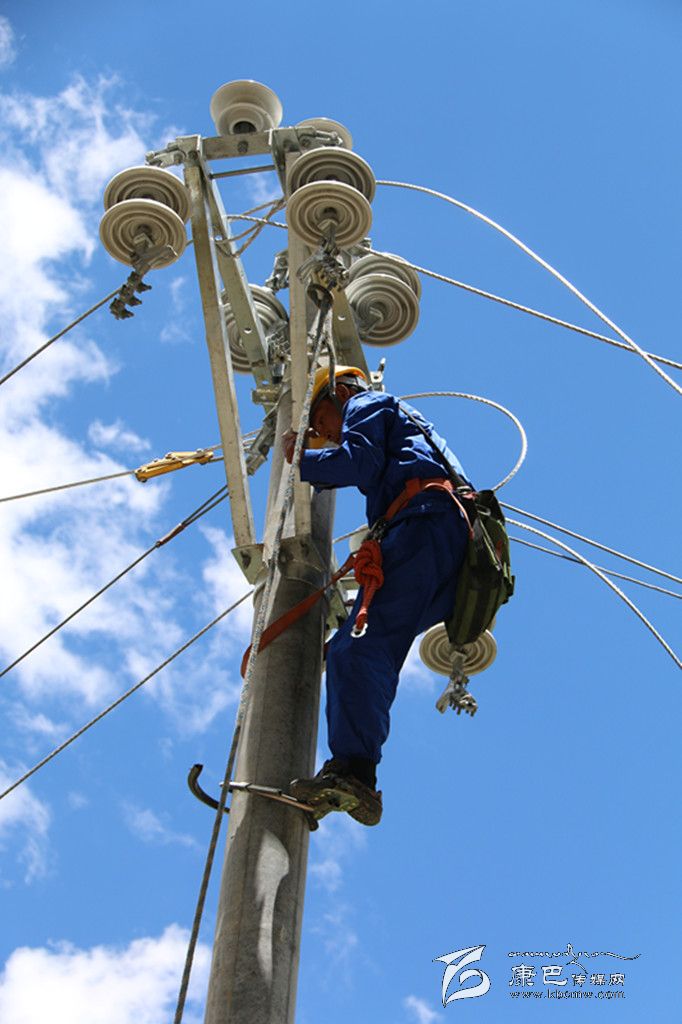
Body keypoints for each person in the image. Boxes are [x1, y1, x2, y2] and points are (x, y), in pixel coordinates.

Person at [282, 366, 471, 826]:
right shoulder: (403, 424)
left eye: (321, 421)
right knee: (361, 647)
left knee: (358, 648)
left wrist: (300, 459)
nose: (325, 433)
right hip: (445, 548)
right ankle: (353, 771)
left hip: (424, 523)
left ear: (340, 392)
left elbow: (357, 462)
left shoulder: (366, 403)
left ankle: (354, 773)